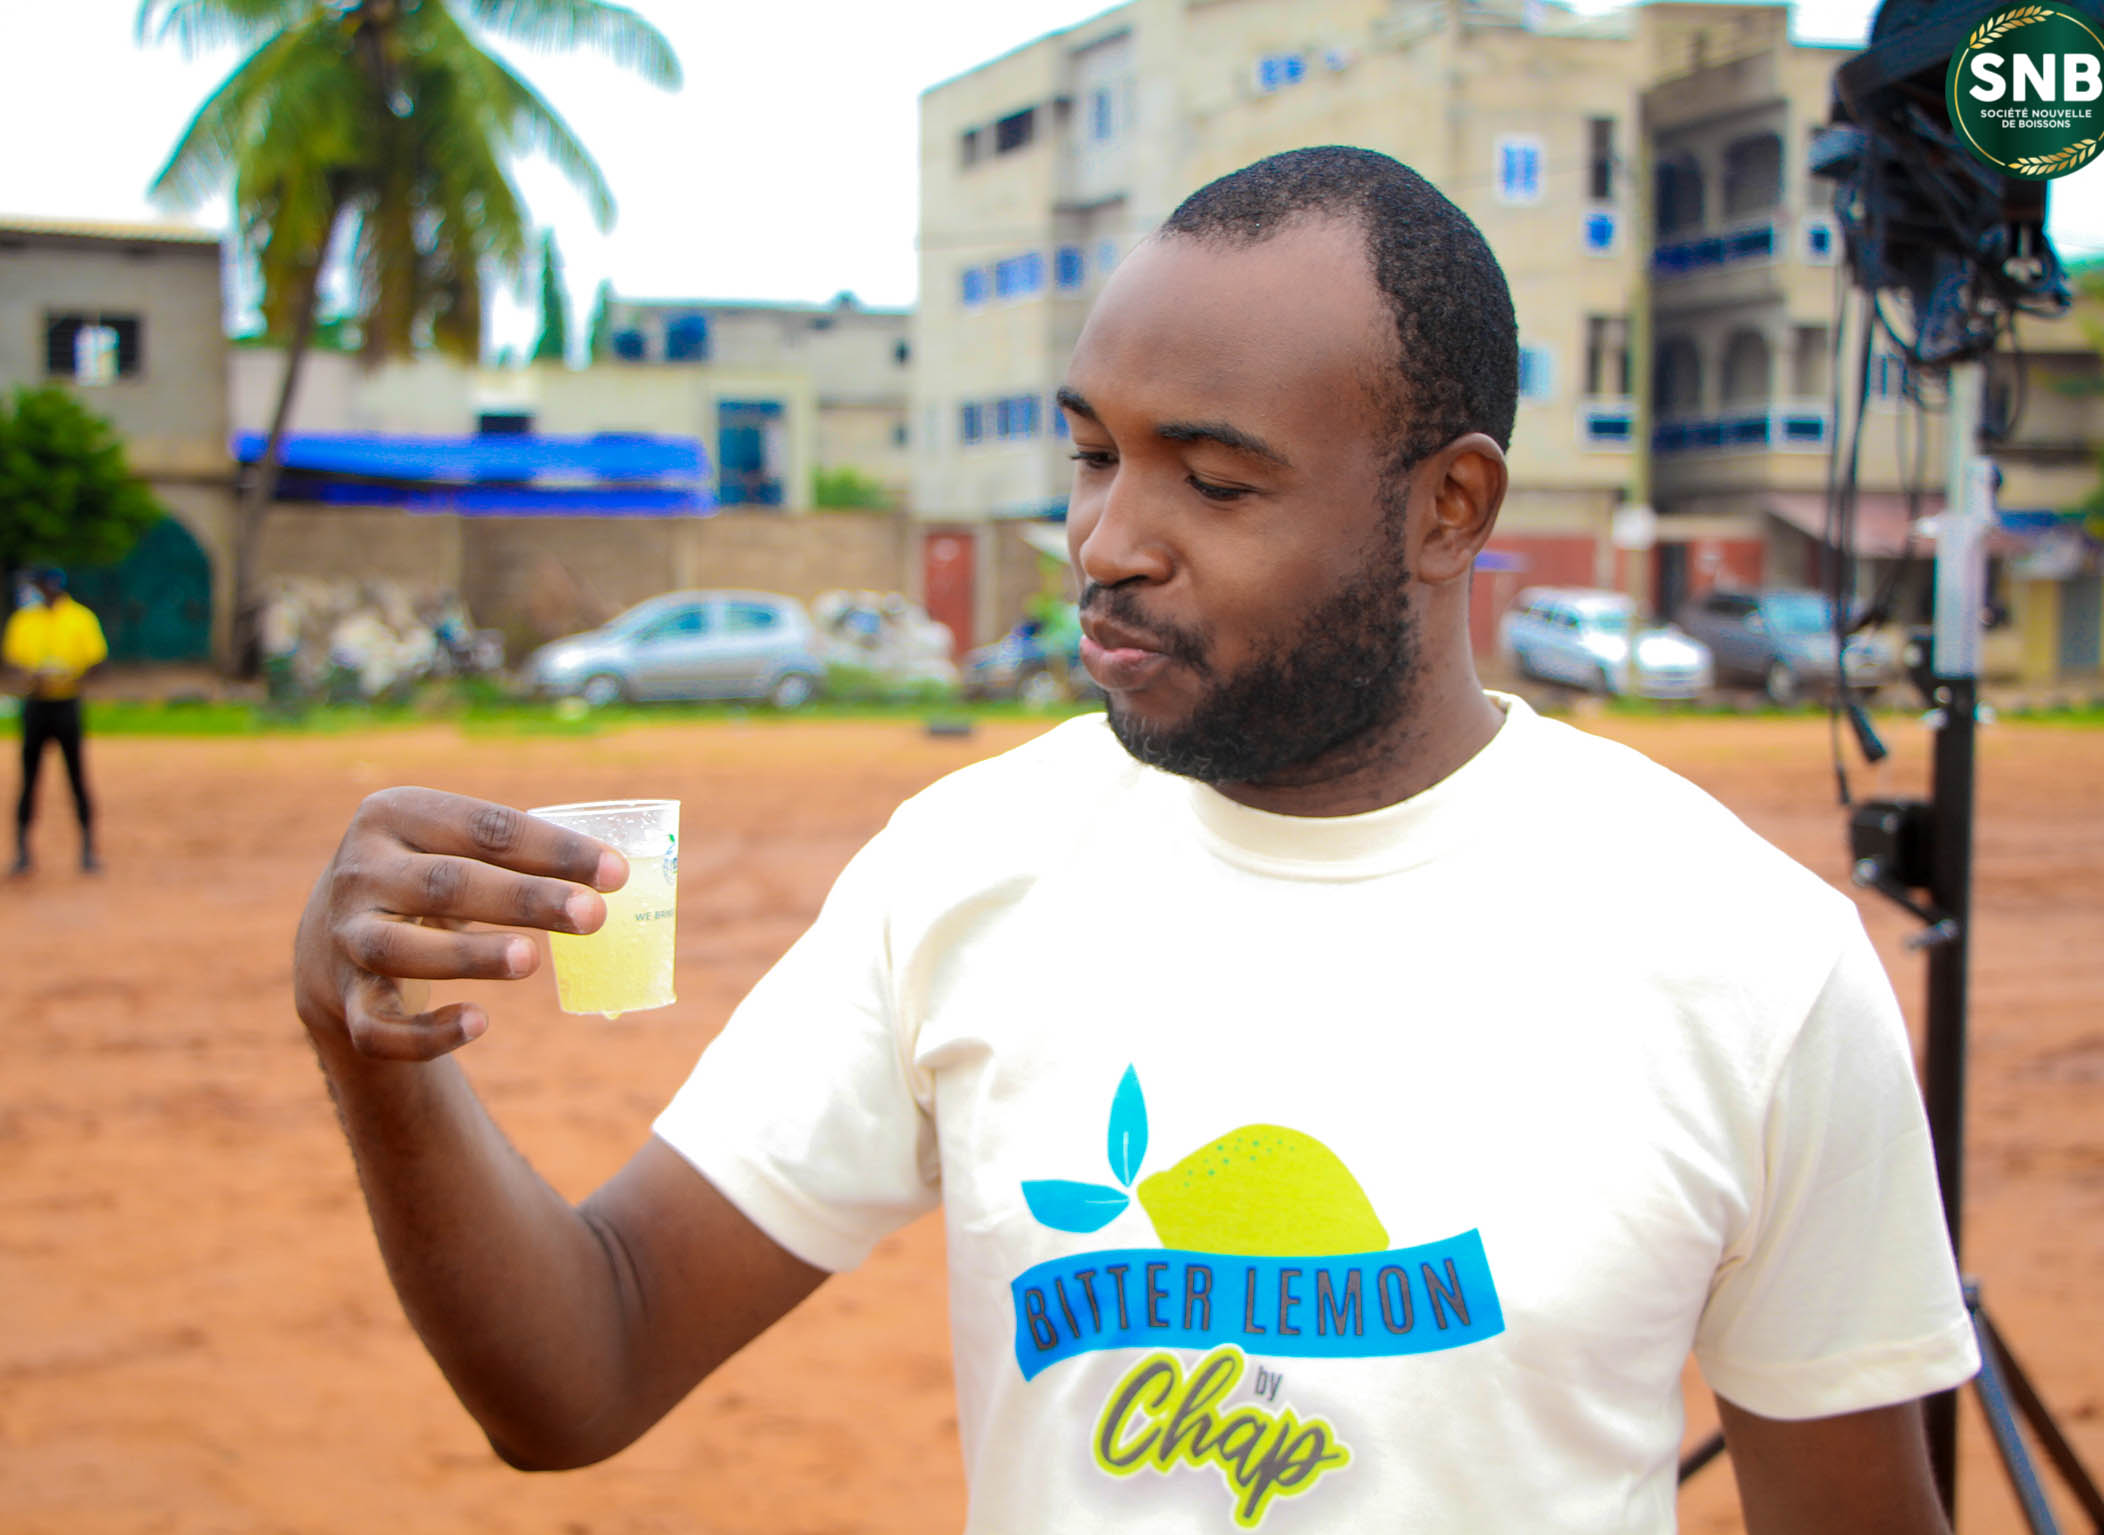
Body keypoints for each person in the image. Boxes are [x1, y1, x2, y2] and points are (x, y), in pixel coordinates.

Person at [292, 148, 1976, 1533]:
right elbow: (583, 1364)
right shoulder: (965, 869)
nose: (1105, 540)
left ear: (1447, 507)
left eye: (1213, 483)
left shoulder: (1746, 959)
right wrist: (372, 1048)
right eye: (1093, 455)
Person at [5, 565, 107, 875]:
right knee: (29, 779)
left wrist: (71, 677)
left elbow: (96, 662)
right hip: (35, 705)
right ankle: (23, 852)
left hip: (66, 704)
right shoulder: (24, 620)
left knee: (76, 777)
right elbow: (12, 660)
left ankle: (88, 849)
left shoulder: (80, 618)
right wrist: (31, 678)